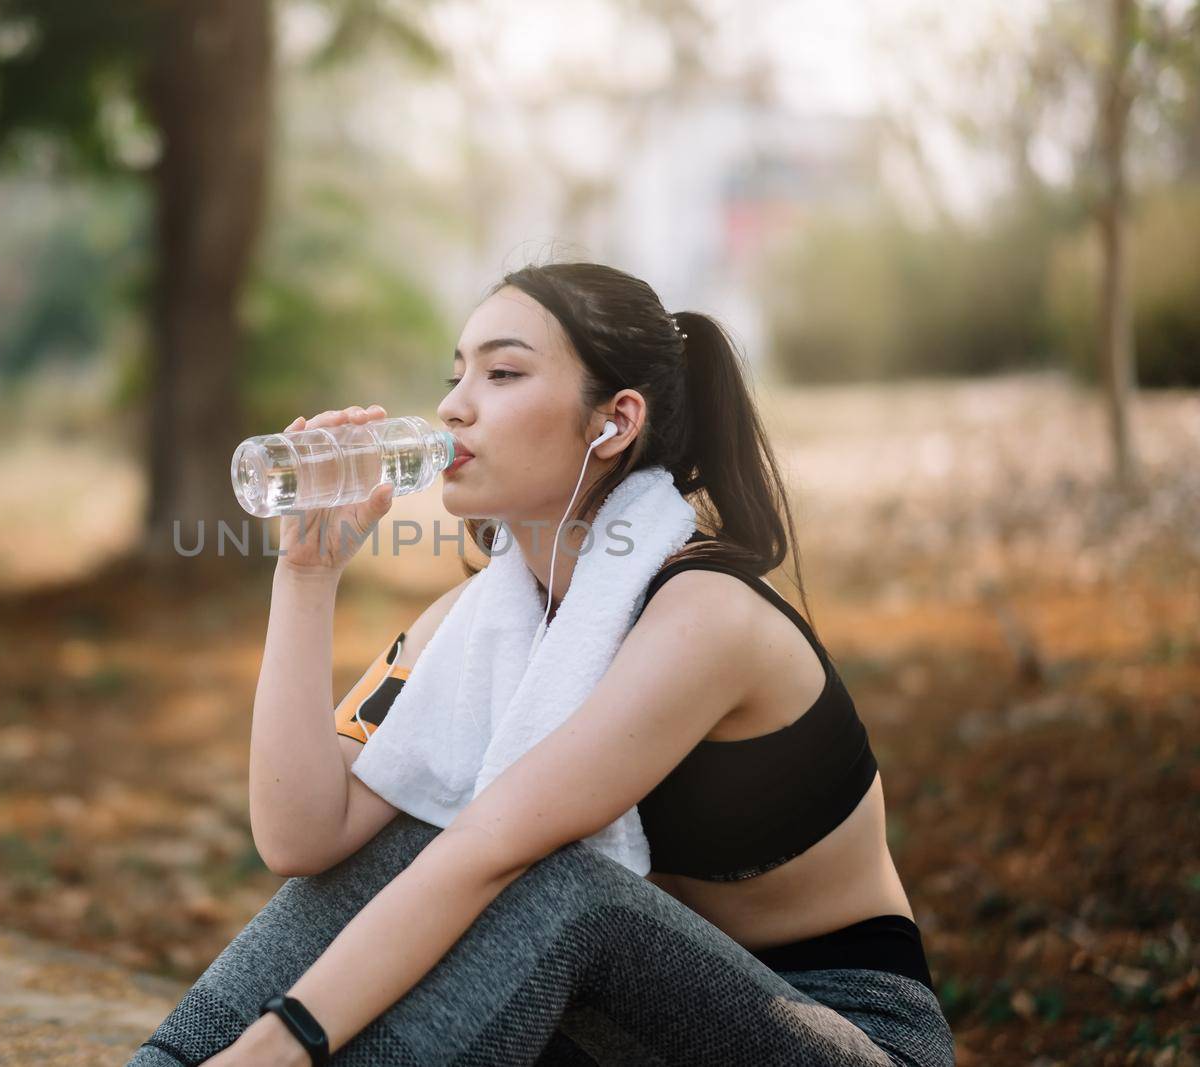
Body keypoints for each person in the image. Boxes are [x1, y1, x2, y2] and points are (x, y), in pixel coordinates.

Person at [127, 261, 956, 1066]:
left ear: (615, 421)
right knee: (418, 830)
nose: (454, 407)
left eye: (503, 374)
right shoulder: (476, 622)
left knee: (554, 879)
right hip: (621, 1029)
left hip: (838, 1035)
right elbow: (305, 834)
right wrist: (307, 576)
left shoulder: (707, 616)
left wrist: (283, 1042)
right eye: (457, 375)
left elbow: (490, 850)